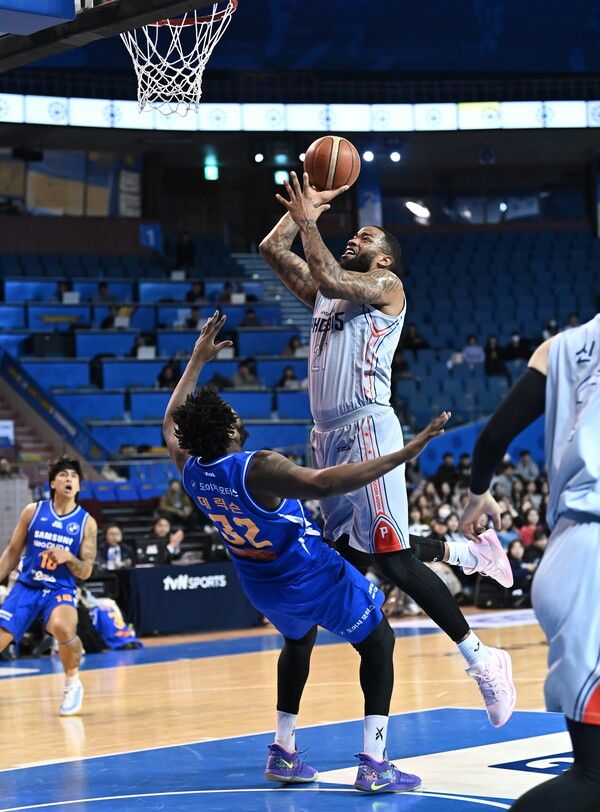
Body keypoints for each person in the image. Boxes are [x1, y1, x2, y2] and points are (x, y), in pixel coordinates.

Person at [259, 170, 516, 727]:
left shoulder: (387, 290)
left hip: (368, 427)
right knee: (346, 558)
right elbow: (271, 247)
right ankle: (466, 554)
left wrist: (310, 222)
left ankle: (481, 657)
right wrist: (313, 205)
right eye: (357, 233)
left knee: (394, 560)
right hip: (327, 437)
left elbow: (325, 269)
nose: (358, 237)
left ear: (385, 261)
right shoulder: (326, 295)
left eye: (368, 237)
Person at [162, 313, 456, 792]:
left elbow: (170, 424)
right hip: (309, 575)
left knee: (298, 642)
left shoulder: (191, 467)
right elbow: (323, 483)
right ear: (229, 431)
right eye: (233, 414)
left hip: (261, 585)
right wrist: (403, 453)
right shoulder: (257, 468)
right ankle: (375, 763)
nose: (238, 415)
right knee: (379, 642)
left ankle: (283, 751)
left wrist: (196, 359)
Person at [460, 313, 600, 812]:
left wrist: (478, 495)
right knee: (594, 779)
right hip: (593, 568)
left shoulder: (560, 347)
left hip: (571, 551)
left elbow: (493, 438)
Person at [0, 457, 97, 715]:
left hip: (59, 589)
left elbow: (86, 571)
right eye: (63, 475)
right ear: (53, 482)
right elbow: (11, 552)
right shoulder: (33, 511)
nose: (68, 479)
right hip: (26, 586)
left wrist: (69, 557)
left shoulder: (86, 523)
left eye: (73, 477)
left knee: (63, 627)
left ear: (78, 487)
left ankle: (73, 683)